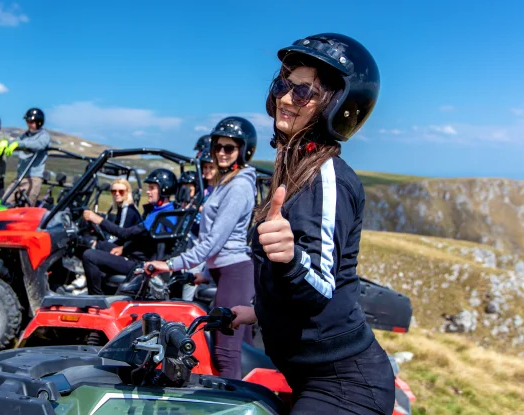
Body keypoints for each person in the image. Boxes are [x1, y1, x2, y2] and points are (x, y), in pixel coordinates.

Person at [230, 33, 394, 414]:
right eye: (283, 85)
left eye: (304, 93)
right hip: (310, 376)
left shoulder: (327, 175)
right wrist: (258, 311)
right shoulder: (293, 167)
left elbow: (321, 282)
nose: (286, 99)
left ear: (338, 105)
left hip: (344, 386)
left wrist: (288, 257)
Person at [145, 116, 258, 380]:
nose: (221, 153)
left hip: (235, 274)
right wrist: (204, 274)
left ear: (244, 150)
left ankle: (233, 407)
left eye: (229, 148)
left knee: (225, 353)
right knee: (244, 351)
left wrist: (171, 264)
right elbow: (220, 242)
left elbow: (214, 241)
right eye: (218, 146)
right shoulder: (225, 182)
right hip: (225, 271)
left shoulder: (239, 186)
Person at [81, 168, 177, 295]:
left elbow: (125, 233)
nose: (148, 191)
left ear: (164, 190)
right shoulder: (166, 210)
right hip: (139, 256)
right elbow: (141, 238)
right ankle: (107, 290)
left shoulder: (160, 215)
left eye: (152, 188)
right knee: (102, 245)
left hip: (140, 264)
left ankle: (95, 300)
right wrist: (124, 248)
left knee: (89, 256)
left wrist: (98, 220)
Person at [4, 108, 51, 206]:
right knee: (5, 202)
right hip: (20, 177)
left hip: (34, 179)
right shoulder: (25, 135)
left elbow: (39, 145)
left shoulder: (44, 136)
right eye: (27, 121)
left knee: (27, 207)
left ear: (39, 122)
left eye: (32, 121)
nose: (29, 124)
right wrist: (6, 144)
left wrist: (19, 144)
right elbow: (17, 141)